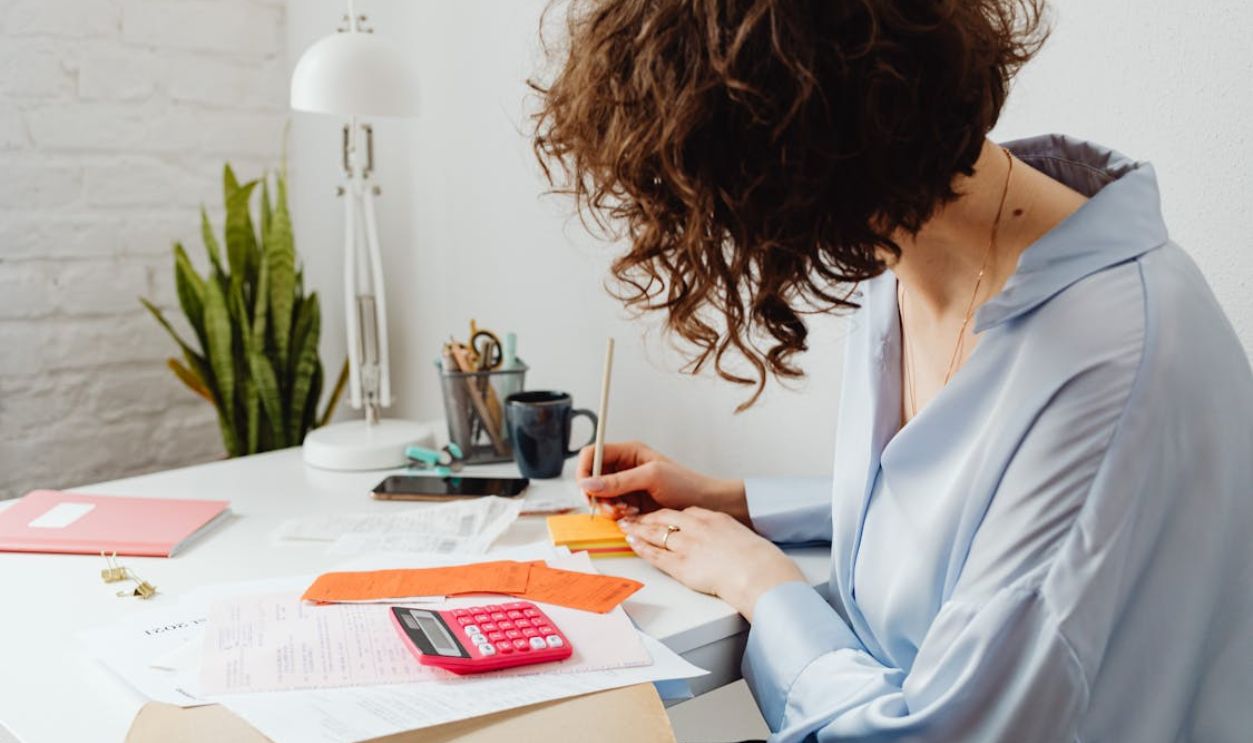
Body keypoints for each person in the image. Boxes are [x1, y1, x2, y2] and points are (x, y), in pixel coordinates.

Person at [532, 0, 1253, 741]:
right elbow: (965, 517)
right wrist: (736, 499)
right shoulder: (903, 257)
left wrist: (761, 581)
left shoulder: (1106, 364)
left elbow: (937, 731)